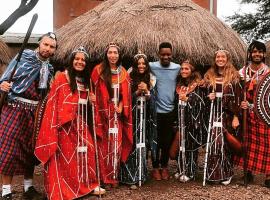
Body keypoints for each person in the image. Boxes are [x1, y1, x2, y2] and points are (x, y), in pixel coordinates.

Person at [34, 46, 105, 199]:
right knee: (67, 157)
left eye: (83, 60)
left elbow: (87, 104)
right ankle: (65, 187)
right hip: (64, 124)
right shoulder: (62, 77)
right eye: (77, 59)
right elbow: (55, 102)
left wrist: (92, 101)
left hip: (80, 122)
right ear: (72, 60)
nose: (80, 62)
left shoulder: (87, 81)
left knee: (89, 149)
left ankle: (87, 184)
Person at [0, 32, 57, 200]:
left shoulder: (49, 68)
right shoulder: (23, 57)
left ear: (54, 50)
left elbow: (46, 93)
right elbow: (5, 78)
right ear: (39, 44)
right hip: (14, 108)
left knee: (30, 150)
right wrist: (2, 85)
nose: (47, 48)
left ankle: (28, 188)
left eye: (51, 47)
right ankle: (6, 191)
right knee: (9, 149)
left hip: (35, 112)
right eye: (45, 44)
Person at [91, 42, 133, 187]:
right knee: (103, 144)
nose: (113, 55)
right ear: (106, 54)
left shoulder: (124, 73)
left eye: (115, 53)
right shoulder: (98, 70)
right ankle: (103, 177)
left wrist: (121, 107)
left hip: (117, 116)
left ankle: (114, 176)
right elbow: (93, 91)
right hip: (102, 115)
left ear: (119, 55)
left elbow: (126, 95)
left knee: (116, 145)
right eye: (110, 52)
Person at [203, 49, 242, 185]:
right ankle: (214, 174)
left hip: (228, 115)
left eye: (223, 57)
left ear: (227, 58)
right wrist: (209, 96)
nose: (220, 59)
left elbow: (237, 97)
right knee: (214, 144)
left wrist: (236, 116)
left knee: (226, 144)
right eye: (218, 57)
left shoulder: (234, 76)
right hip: (214, 114)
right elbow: (205, 95)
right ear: (215, 59)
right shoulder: (209, 76)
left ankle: (227, 173)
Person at [119, 52, 157, 186]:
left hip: (145, 117)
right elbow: (124, 98)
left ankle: (141, 173)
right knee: (132, 143)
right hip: (132, 117)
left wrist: (147, 92)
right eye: (138, 64)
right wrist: (136, 93)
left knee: (143, 144)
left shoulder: (151, 79)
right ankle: (129, 175)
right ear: (135, 65)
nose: (141, 66)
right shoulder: (128, 79)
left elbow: (154, 100)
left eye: (143, 64)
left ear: (147, 66)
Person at [239, 40, 270, 187]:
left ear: (264, 54)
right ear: (250, 54)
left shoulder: (268, 72)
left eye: (260, 52)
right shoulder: (242, 72)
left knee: (268, 144)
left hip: (264, 114)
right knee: (248, 142)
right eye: (254, 51)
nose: (257, 54)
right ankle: (248, 172)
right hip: (247, 115)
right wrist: (242, 103)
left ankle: (269, 176)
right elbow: (238, 92)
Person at [149, 42, 180, 180]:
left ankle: (165, 166)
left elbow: (190, 73)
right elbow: (135, 69)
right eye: (163, 54)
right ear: (158, 54)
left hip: (170, 111)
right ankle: (155, 168)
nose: (166, 57)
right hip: (155, 111)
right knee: (155, 140)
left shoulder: (177, 68)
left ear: (172, 54)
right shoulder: (151, 66)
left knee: (167, 141)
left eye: (168, 54)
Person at [173, 60, 207, 182]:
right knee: (181, 145)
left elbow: (202, 102)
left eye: (186, 69)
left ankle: (190, 172)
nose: (183, 71)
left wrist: (188, 99)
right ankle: (180, 169)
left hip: (193, 121)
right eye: (182, 69)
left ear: (192, 71)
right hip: (181, 119)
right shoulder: (180, 84)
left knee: (190, 147)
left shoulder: (197, 85)